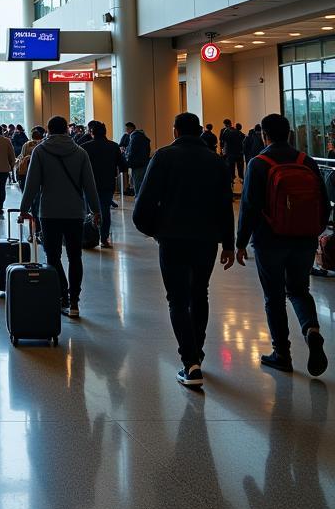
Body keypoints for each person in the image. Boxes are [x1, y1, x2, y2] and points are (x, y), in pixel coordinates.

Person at [132, 112, 235, 386]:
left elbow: (144, 204)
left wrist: (154, 231)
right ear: (201, 130)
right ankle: (197, 354)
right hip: (206, 239)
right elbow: (225, 207)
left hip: (173, 238)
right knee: (200, 293)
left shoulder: (164, 157)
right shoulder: (216, 162)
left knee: (177, 299)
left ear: (175, 131)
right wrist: (228, 243)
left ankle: (189, 362)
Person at [236, 113, 329, 376]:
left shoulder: (259, 163)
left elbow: (249, 207)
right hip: (304, 239)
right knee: (299, 290)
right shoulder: (306, 161)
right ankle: (311, 329)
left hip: (270, 240)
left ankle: (282, 354)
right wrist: (314, 232)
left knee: (274, 297)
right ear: (289, 134)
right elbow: (322, 201)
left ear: (264, 135)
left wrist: (241, 242)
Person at [19, 116, 101, 319]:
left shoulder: (40, 151)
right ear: (66, 130)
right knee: (75, 256)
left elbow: (32, 184)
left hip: (49, 213)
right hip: (75, 213)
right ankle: (74, 301)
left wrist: (24, 209)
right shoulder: (80, 152)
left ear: (48, 130)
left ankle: (62, 295)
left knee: (53, 256)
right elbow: (89, 185)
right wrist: (96, 210)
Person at [83, 121, 127, 248]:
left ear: (92, 133)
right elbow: (123, 166)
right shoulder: (113, 146)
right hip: (108, 183)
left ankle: (91, 236)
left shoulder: (85, 147)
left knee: (90, 210)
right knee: (105, 210)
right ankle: (104, 238)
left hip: (89, 183)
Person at [125, 122, 152, 194]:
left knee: (138, 188)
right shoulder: (144, 137)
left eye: (126, 129)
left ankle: (138, 203)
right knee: (143, 187)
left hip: (137, 166)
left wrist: (128, 162)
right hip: (144, 164)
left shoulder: (134, 138)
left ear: (130, 129)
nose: (126, 131)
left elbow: (131, 152)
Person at [222, 120, 246, 185]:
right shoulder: (242, 134)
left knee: (231, 167)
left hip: (230, 153)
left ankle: (232, 179)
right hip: (239, 153)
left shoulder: (227, 132)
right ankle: (241, 178)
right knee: (240, 167)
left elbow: (224, 141)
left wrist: (224, 151)